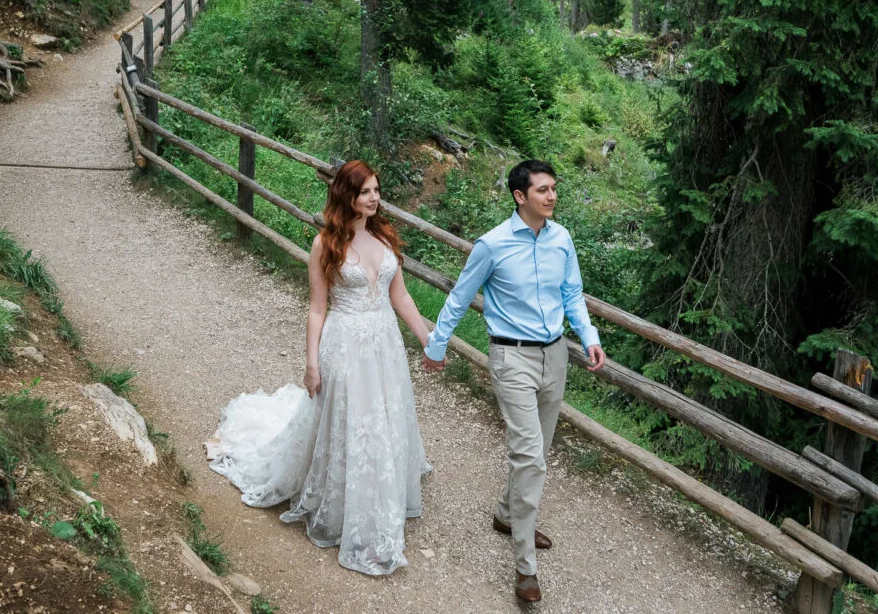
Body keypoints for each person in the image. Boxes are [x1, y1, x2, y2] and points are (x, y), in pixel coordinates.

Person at [207, 160, 433, 576]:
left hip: (383, 344)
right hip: (344, 344)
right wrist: (311, 364)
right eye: (366, 191)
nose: (375, 198)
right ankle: (343, 501)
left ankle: (382, 488)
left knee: (381, 415)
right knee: (350, 419)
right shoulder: (324, 244)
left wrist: (427, 339)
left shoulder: (384, 238)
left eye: (377, 191)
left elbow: (400, 297)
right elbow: (316, 309)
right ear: (347, 195)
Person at [422, 159, 606, 602]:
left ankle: (507, 514)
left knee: (537, 451)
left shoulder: (562, 239)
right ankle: (525, 568)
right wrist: (437, 343)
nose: (552, 196)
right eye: (543, 190)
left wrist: (590, 336)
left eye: (554, 189)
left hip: (555, 354)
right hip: (512, 358)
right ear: (520, 197)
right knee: (531, 458)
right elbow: (461, 295)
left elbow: (571, 294)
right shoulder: (493, 244)